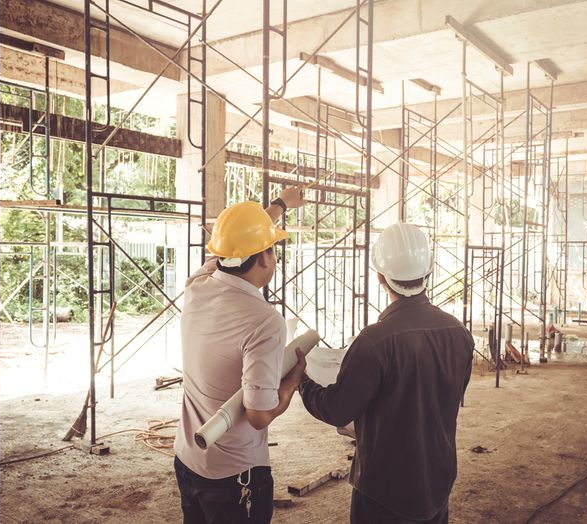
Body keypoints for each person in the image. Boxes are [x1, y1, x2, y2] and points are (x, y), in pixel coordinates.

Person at [299, 222, 474, 524]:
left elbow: (335, 410)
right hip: (437, 481)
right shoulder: (459, 333)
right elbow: (448, 397)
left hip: (384, 490)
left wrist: (301, 380)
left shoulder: (374, 341)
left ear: (380, 276)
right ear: (428, 272)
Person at [174, 187, 307, 524]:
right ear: (265, 257)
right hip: (234, 477)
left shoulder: (198, 285)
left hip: (187, 461)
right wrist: (291, 382)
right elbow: (259, 415)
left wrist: (278, 206)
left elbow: (232, 245)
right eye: (272, 249)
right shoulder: (265, 321)